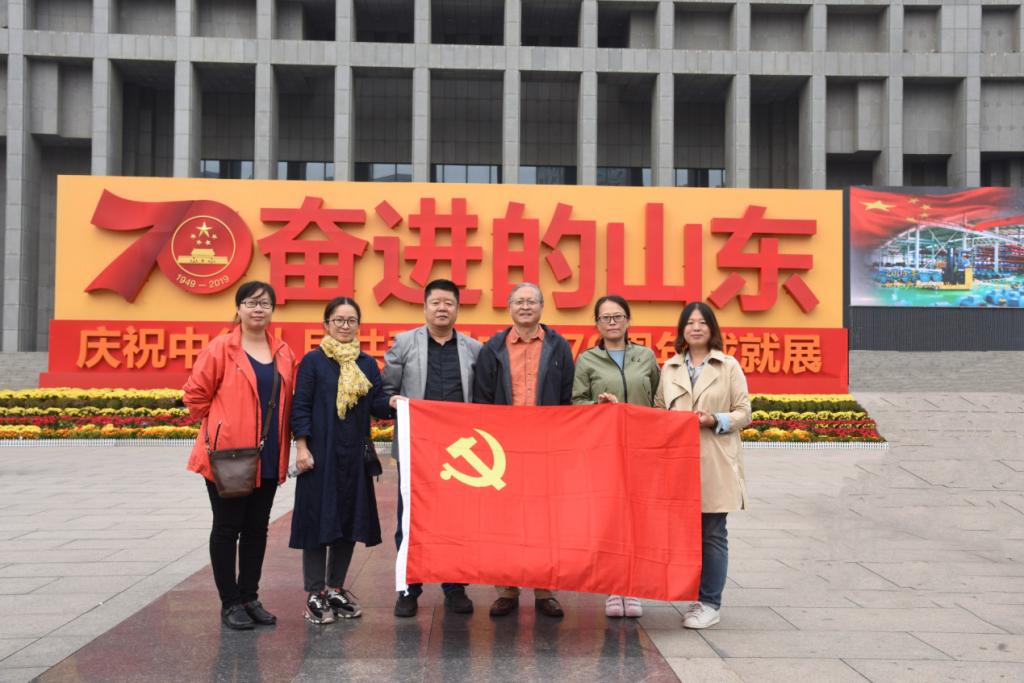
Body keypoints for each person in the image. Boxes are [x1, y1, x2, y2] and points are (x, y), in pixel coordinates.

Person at [183, 281, 295, 630]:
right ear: (239, 308)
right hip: (228, 455)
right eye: (251, 302)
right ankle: (230, 602)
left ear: (272, 310)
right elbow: (195, 396)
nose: (258, 309)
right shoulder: (221, 348)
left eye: (265, 303)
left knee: (257, 529)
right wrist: (223, 425)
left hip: (268, 453)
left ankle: (250, 597)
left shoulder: (283, 352)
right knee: (227, 527)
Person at [472, 282, 575, 619]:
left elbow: (567, 399)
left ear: (542, 307)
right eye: (520, 301)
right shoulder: (493, 348)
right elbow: (482, 401)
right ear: (510, 307)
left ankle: (545, 591)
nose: (526, 306)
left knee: (546, 519)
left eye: (532, 301)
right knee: (505, 520)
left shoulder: (559, 346)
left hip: (546, 447)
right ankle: (507, 590)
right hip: (504, 449)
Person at [382, 279, 483, 617]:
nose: (442, 308)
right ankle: (408, 588)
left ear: (458, 309)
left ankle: (455, 587)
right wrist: (390, 401)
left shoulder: (473, 349)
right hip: (417, 450)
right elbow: (385, 391)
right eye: (436, 302)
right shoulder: (404, 343)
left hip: (460, 451)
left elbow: (482, 398)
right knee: (410, 518)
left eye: (448, 303)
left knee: (457, 520)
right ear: (425, 307)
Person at [290, 297, 393, 624]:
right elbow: (300, 406)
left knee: (348, 521)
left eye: (351, 321)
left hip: (353, 457)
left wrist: (395, 402)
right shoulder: (313, 361)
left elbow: (376, 404)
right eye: (339, 320)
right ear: (326, 325)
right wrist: (302, 447)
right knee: (317, 522)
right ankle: (315, 593)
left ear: (358, 325)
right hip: (320, 456)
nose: (345, 326)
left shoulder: (366, 364)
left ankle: (335, 588)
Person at [654, 301, 751, 630]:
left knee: (712, 532)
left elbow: (744, 413)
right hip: (678, 463)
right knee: (684, 534)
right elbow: (659, 410)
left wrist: (714, 419)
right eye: (690, 323)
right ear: (682, 330)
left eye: (702, 322)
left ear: (712, 328)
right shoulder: (669, 368)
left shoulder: (728, 366)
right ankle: (694, 596)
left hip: (715, 459)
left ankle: (710, 603)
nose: (696, 328)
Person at [571, 294, 660, 619]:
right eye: (605, 318)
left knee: (636, 519)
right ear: (597, 323)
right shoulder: (587, 360)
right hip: (604, 451)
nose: (612, 322)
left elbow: (659, 400)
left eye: (618, 316)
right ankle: (613, 587)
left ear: (628, 320)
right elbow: (576, 402)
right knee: (610, 519)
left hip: (641, 449)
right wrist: (597, 406)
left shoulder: (645, 357)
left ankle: (632, 586)